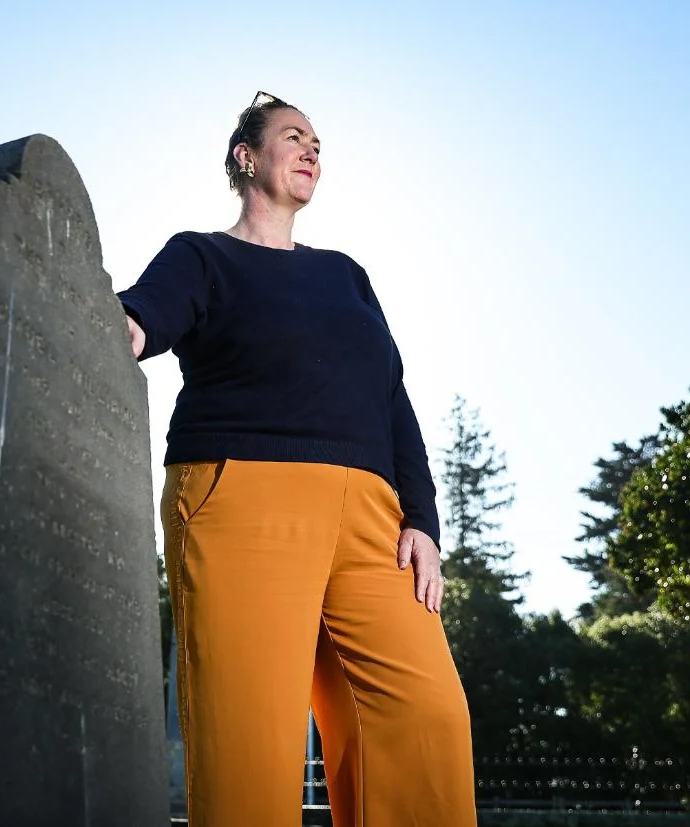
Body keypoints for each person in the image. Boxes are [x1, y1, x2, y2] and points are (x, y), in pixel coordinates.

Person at [116, 91, 476, 826]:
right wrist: (106, 325)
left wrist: (424, 519)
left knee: (427, 717)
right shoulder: (201, 255)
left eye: (318, 141)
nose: (312, 149)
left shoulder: (346, 274)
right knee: (250, 744)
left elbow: (392, 397)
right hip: (242, 498)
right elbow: (136, 321)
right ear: (246, 157)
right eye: (292, 136)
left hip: (375, 523)